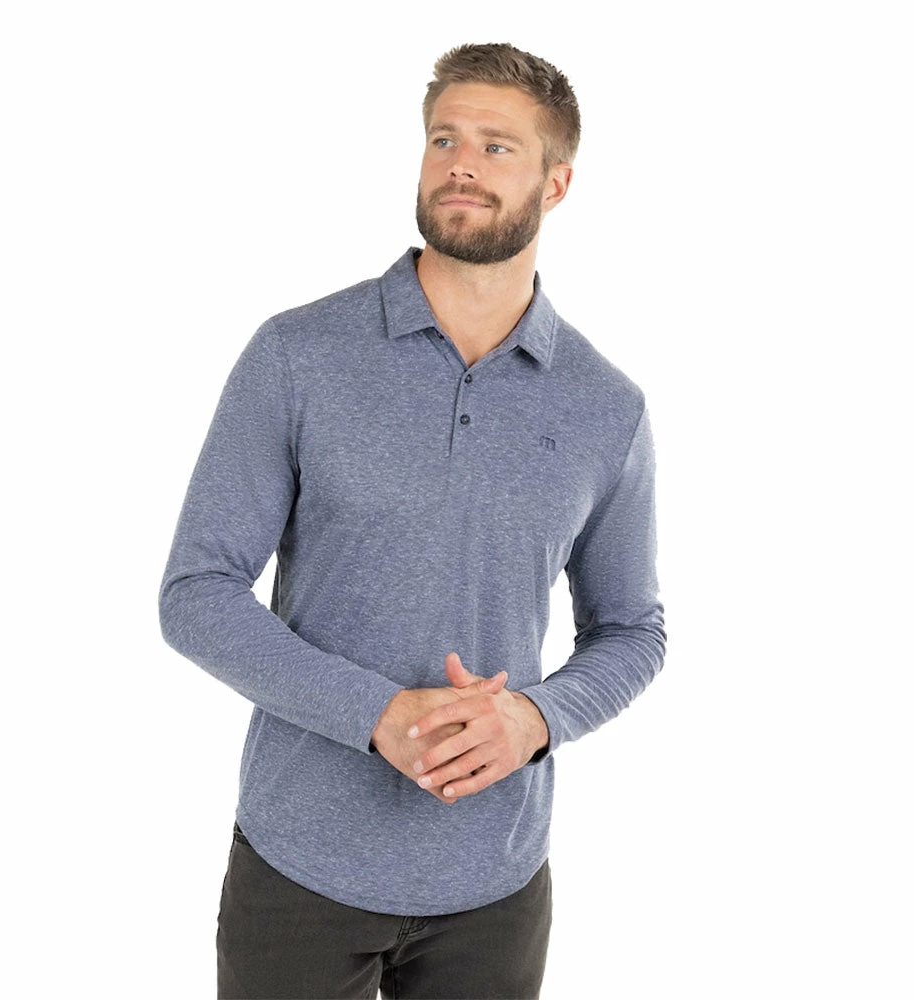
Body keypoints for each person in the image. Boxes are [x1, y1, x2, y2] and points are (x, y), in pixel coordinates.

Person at [159, 41, 666, 1000]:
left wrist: (535, 719)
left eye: (496, 146)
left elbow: (633, 630)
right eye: (444, 139)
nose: (461, 164)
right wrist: (378, 715)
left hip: (496, 883)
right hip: (299, 865)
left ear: (557, 184)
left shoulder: (607, 406)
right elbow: (197, 593)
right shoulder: (299, 355)